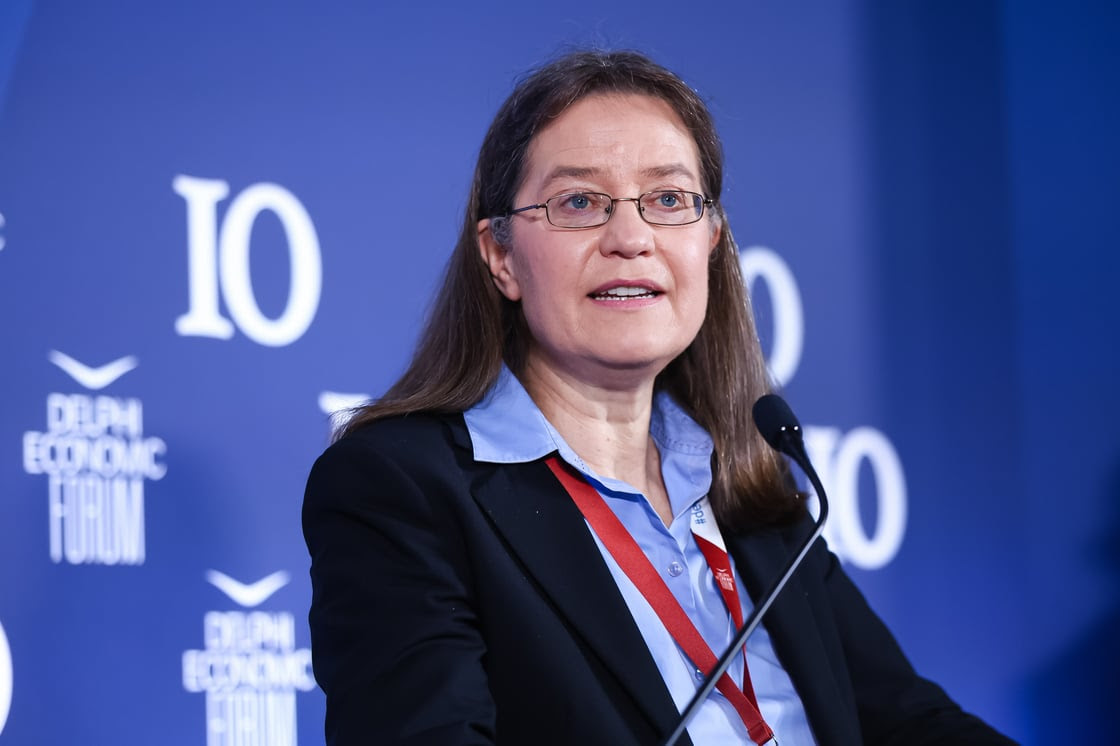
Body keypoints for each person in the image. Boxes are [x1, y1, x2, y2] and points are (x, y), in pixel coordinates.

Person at [302, 50, 1015, 746]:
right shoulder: (402, 489)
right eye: (580, 202)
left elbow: (911, 721)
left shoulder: (749, 495)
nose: (631, 237)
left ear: (711, 241)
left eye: (669, 200)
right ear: (502, 256)